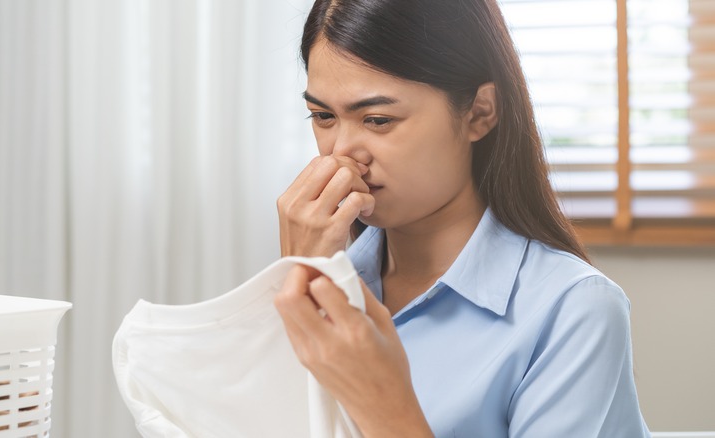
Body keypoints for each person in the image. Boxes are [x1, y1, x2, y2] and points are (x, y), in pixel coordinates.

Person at [274, 0, 652, 436]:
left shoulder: (572, 311)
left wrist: (383, 404)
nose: (342, 153)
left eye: (377, 119)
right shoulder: (318, 283)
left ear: (480, 112)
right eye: (323, 116)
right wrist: (298, 283)